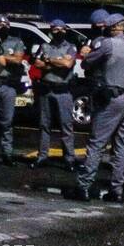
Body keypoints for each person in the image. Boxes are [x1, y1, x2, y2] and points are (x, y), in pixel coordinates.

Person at [74, 12, 124, 201]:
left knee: (97, 143)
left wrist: (87, 53)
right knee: (122, 146)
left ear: (111, 27)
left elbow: (87, 63)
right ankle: (117, 190)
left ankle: (84, 186)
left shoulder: (108, 44)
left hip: (112, 99)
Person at [32, 19, 77, 169]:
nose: (59, 32)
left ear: (65, 30)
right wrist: (56, 63)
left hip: (63, 90)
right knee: (44, 125)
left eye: (62, 29)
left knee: (66, 125)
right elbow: (37, 63)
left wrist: (49, 61)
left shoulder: (71, 47)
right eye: (56, 29)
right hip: (46, 89)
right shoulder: (44, 46)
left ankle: (69, 158)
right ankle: (42, 156)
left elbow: (67, 64)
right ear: (51, 30)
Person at [0, 14, 27, 166]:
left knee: (6, 122)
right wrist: (7, 59)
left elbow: (18, 60)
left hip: (8, 85)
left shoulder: (16, 41)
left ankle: (7, 154)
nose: (2, 27)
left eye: (5, 25)